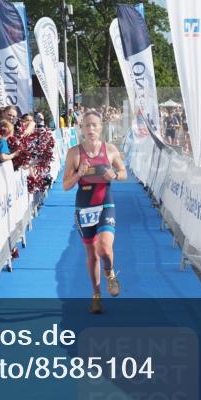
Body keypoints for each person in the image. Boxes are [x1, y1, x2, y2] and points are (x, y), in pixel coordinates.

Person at [62, 109, 128, 314]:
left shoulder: (110, 149)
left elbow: (124, 173)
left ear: (101, 128)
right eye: (87, 125)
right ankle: (96, 295)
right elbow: (65, 185)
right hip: (84, 206)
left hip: (105, 202)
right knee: (92, 253)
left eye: (95, 125)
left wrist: (115, 174)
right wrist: (78, 173)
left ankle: (110, 274)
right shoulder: (74, 152)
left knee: (105, 249)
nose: (91, 129)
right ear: (81, 128)